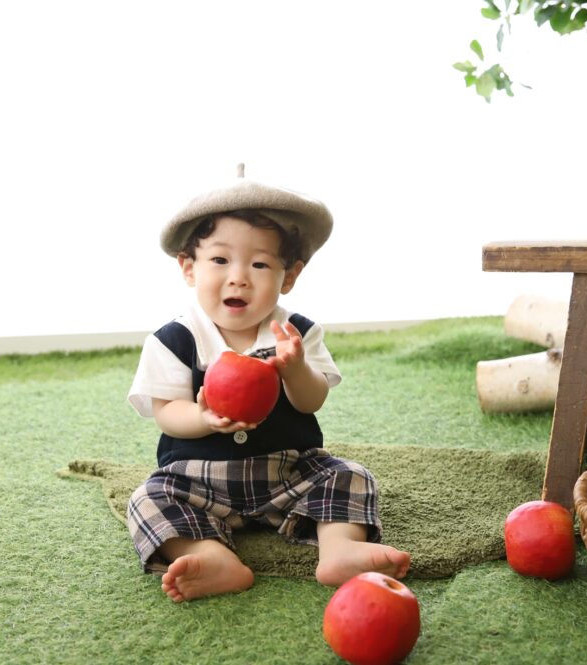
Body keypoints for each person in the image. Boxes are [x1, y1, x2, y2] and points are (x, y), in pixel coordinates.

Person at [126, 165, 411, 602]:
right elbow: (167, 412)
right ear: (188, 267)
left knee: (349, 475)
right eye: (220, 260)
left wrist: (295, 368)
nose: (239, 276)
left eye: (259, 263)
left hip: (287, 472)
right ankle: (209, 554)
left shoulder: (295, 333)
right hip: (197, 479)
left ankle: (339, 548)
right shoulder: (175, 339)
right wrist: (202, 416)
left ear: (289, 276)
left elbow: (312, 399)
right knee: (147, 498)